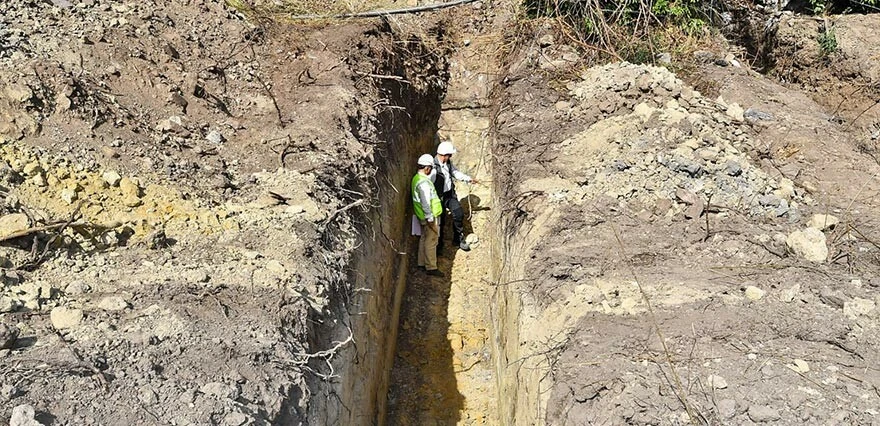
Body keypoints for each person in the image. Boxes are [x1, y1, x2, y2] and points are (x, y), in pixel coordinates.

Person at [430, 141, 479, 253]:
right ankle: (438, 244)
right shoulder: (433, 167)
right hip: (438, 198)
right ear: (443, 154)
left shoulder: (448, 164)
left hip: (449, 195)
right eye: (449, 155)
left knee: (458, 213)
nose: (450, 157)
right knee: (439, 221)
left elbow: (455, 173)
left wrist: (468, 179)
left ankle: (458, 239)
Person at [412, 154, 444, 277]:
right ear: (427, 168)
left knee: (424, 238)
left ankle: (421, 263)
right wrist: (430, 217)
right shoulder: (423, 182)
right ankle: (431, 267)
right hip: (429, 216)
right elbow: (425, 202)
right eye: (430, 168)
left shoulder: (416, 179)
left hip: (422, 216)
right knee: (431, 241)